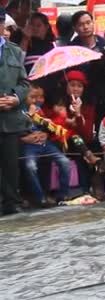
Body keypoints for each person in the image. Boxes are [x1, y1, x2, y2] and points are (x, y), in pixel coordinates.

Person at [0, 6, 30, 215]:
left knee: (11, 163)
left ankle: (12, 202)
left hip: (10, 117)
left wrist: (16, 98)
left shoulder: (15, 51)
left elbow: (24, 83)